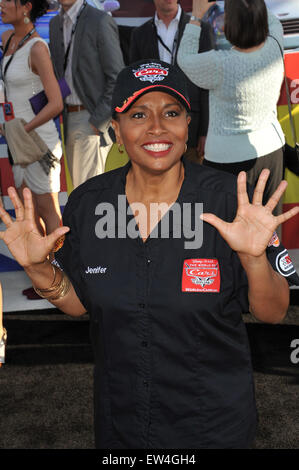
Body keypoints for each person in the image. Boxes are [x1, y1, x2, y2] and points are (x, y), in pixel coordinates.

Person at [0, 60, 299, 449]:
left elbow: (273, 312)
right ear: (117, 131)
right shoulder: (88, 205)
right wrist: (37, 267)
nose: (157, 127)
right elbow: (79, 304)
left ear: (187, 126)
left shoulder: (230, 202)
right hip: (123, 422)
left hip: (213, 425)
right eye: (139, 114)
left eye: (171, 113)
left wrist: (255, 259)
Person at [177, 0, 286, 216]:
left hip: (227, 163)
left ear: (228, 26)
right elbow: (271, 20)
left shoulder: (218, 65)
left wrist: (196, 16)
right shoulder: (275, 46)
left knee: (229, 237)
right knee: (269, 233)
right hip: (272, 153)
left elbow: (184, 59)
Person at [0, 0, 64, 298]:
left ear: (26, 6)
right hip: (18, 140)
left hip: (38, 142)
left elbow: (56, 102)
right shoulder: (8, 39)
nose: (1, 4)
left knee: (47, 209)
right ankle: (43, 276)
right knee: (29, 211)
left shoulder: (38, 48)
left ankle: (61, 274)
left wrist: (23, 129)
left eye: (8, 0)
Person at [49, 0, 124, 189]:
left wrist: (97, 121)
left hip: (89, 118)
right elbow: (60, 73)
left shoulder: (99, 20)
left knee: (87, 193)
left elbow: (117, 77)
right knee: (81, 192)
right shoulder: (55, 24)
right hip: (66, 119)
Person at [129, 0, 214, 162]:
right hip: (153, 131)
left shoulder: (201, 30)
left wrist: (205, 131)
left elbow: (207, 84)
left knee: (192, 184)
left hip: (192, 129)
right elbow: (135, 87)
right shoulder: (139, 34)